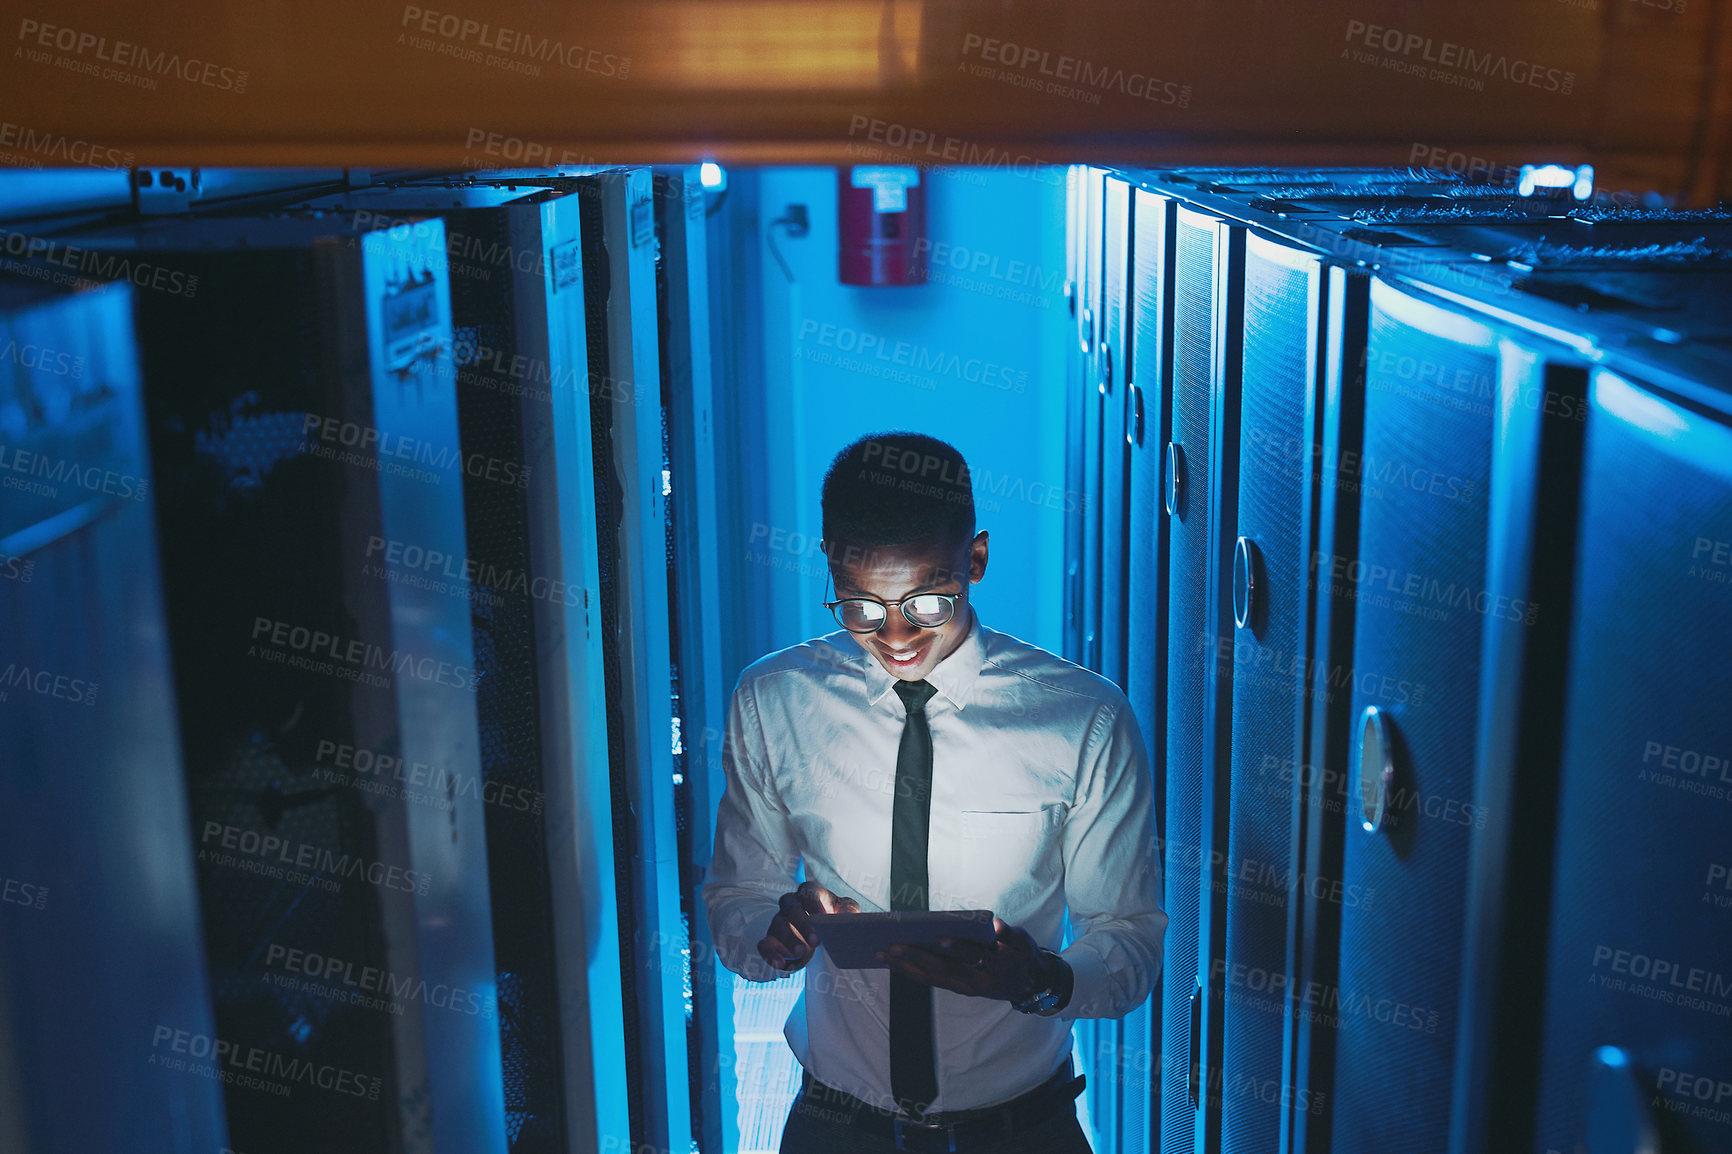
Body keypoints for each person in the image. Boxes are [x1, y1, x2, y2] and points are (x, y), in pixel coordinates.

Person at [703, 431, 1166, 1153]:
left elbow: (1130, 939)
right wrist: (776, 935)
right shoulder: (774, 699)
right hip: (834, 1126)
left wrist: (1041, 978)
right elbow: (735, 901)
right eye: (860, 607)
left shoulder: (1083, 718)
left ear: (975, 560)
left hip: (1021, 1130)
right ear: (829, 564)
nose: (895, 637)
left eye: (928, 602)